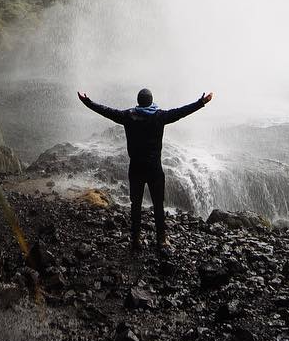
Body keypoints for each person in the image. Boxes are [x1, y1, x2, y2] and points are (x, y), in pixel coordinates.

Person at [76, 87, 214, 252]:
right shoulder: (159, 116)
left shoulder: (128, 116)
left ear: (138, 102)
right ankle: (161, 240)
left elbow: (107, 111)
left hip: (136, 168)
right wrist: (201, 102)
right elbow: (180, 112)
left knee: (136, 205)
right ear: (151, 101)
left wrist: (87, 102)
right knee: (158, 205)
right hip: (155, 169)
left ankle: (135, 240)